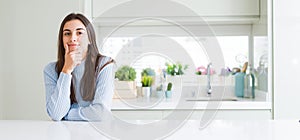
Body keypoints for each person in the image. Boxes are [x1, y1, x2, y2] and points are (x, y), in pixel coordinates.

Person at [43, 13, 115, 121]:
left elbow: (101, 113)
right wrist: (67, 70)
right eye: (67, 33)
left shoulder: (104, 64)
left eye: (79, 33)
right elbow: (56, 114)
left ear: (90, 38)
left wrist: (67, 115)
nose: (73, 38)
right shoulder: (51, 70)